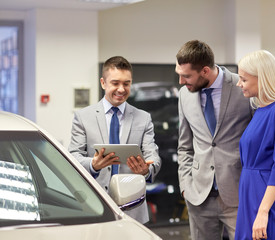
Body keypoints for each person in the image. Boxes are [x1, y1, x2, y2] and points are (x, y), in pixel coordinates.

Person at [68, 56, 161, 224]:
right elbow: (73, 156)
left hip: (134, 208)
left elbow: (153, 157)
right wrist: (93, 165)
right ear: (103, 83)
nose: (121, 89)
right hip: (94, 207)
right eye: (115, 83)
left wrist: (146, 170)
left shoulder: (143, 118)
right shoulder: (83, 117)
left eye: (126, 83)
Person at [175, 40, 253, 240]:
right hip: (198, 196)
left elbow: (264, 132)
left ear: (205, 71)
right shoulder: (184, 95)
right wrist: (185, 185)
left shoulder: (242, 86)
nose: (181, 82)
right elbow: (184, 146)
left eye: (186, 76)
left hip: (238, 194)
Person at [234, 50, 275, 240]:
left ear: (262, 78)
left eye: (243, 79)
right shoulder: (260, 110)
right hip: (250, 194)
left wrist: (263, 213)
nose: (239, 84)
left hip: (265, 199)